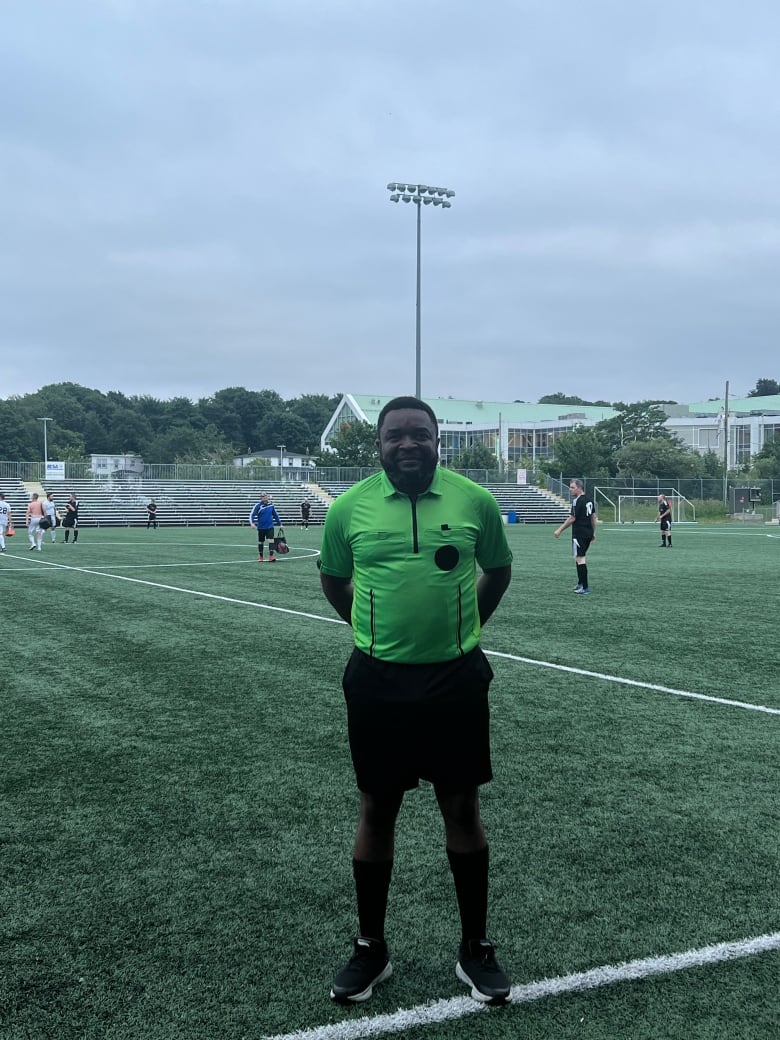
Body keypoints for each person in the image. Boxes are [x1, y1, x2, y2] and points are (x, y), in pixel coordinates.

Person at [319, 395, 513, 1006]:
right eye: (395, 436)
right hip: (376, 681)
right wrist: (371, 633)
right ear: (378, 445)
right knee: (377, 812)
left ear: (438, 441)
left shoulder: (473, 500)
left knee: (462, 809)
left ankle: (475, 948)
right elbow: (333, 577)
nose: (408, 445)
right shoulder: (349, 508)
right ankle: (371, 949)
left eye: (419, 435)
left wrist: (466, 629)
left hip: (455, 680)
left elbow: (498, 569)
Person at [554, 477, 596, 594]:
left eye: (572, 487)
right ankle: (580, 583)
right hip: (587, 533)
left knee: (580, 559)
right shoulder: (589, 500)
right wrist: (593, 533)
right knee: (578, 557)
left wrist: (559, 530)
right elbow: (593, 518)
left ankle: (585, 587)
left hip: (580, 534)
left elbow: (572, 518)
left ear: (579, 488)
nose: (570, 490)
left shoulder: (577, 501)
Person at [249, 493, 282, 562]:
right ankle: (261, 557)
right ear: (261, 498)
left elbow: (275, 515)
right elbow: (252, 515)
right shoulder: (258, 506)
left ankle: (271, 556)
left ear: (267, 497)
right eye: (263, 497)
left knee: (271, 540)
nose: (264, 498)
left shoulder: (271, 505)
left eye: (265, 496)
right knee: (261, 542)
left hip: (270, 526)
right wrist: (252, 523)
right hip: (261, 527)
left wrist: (280, 524)